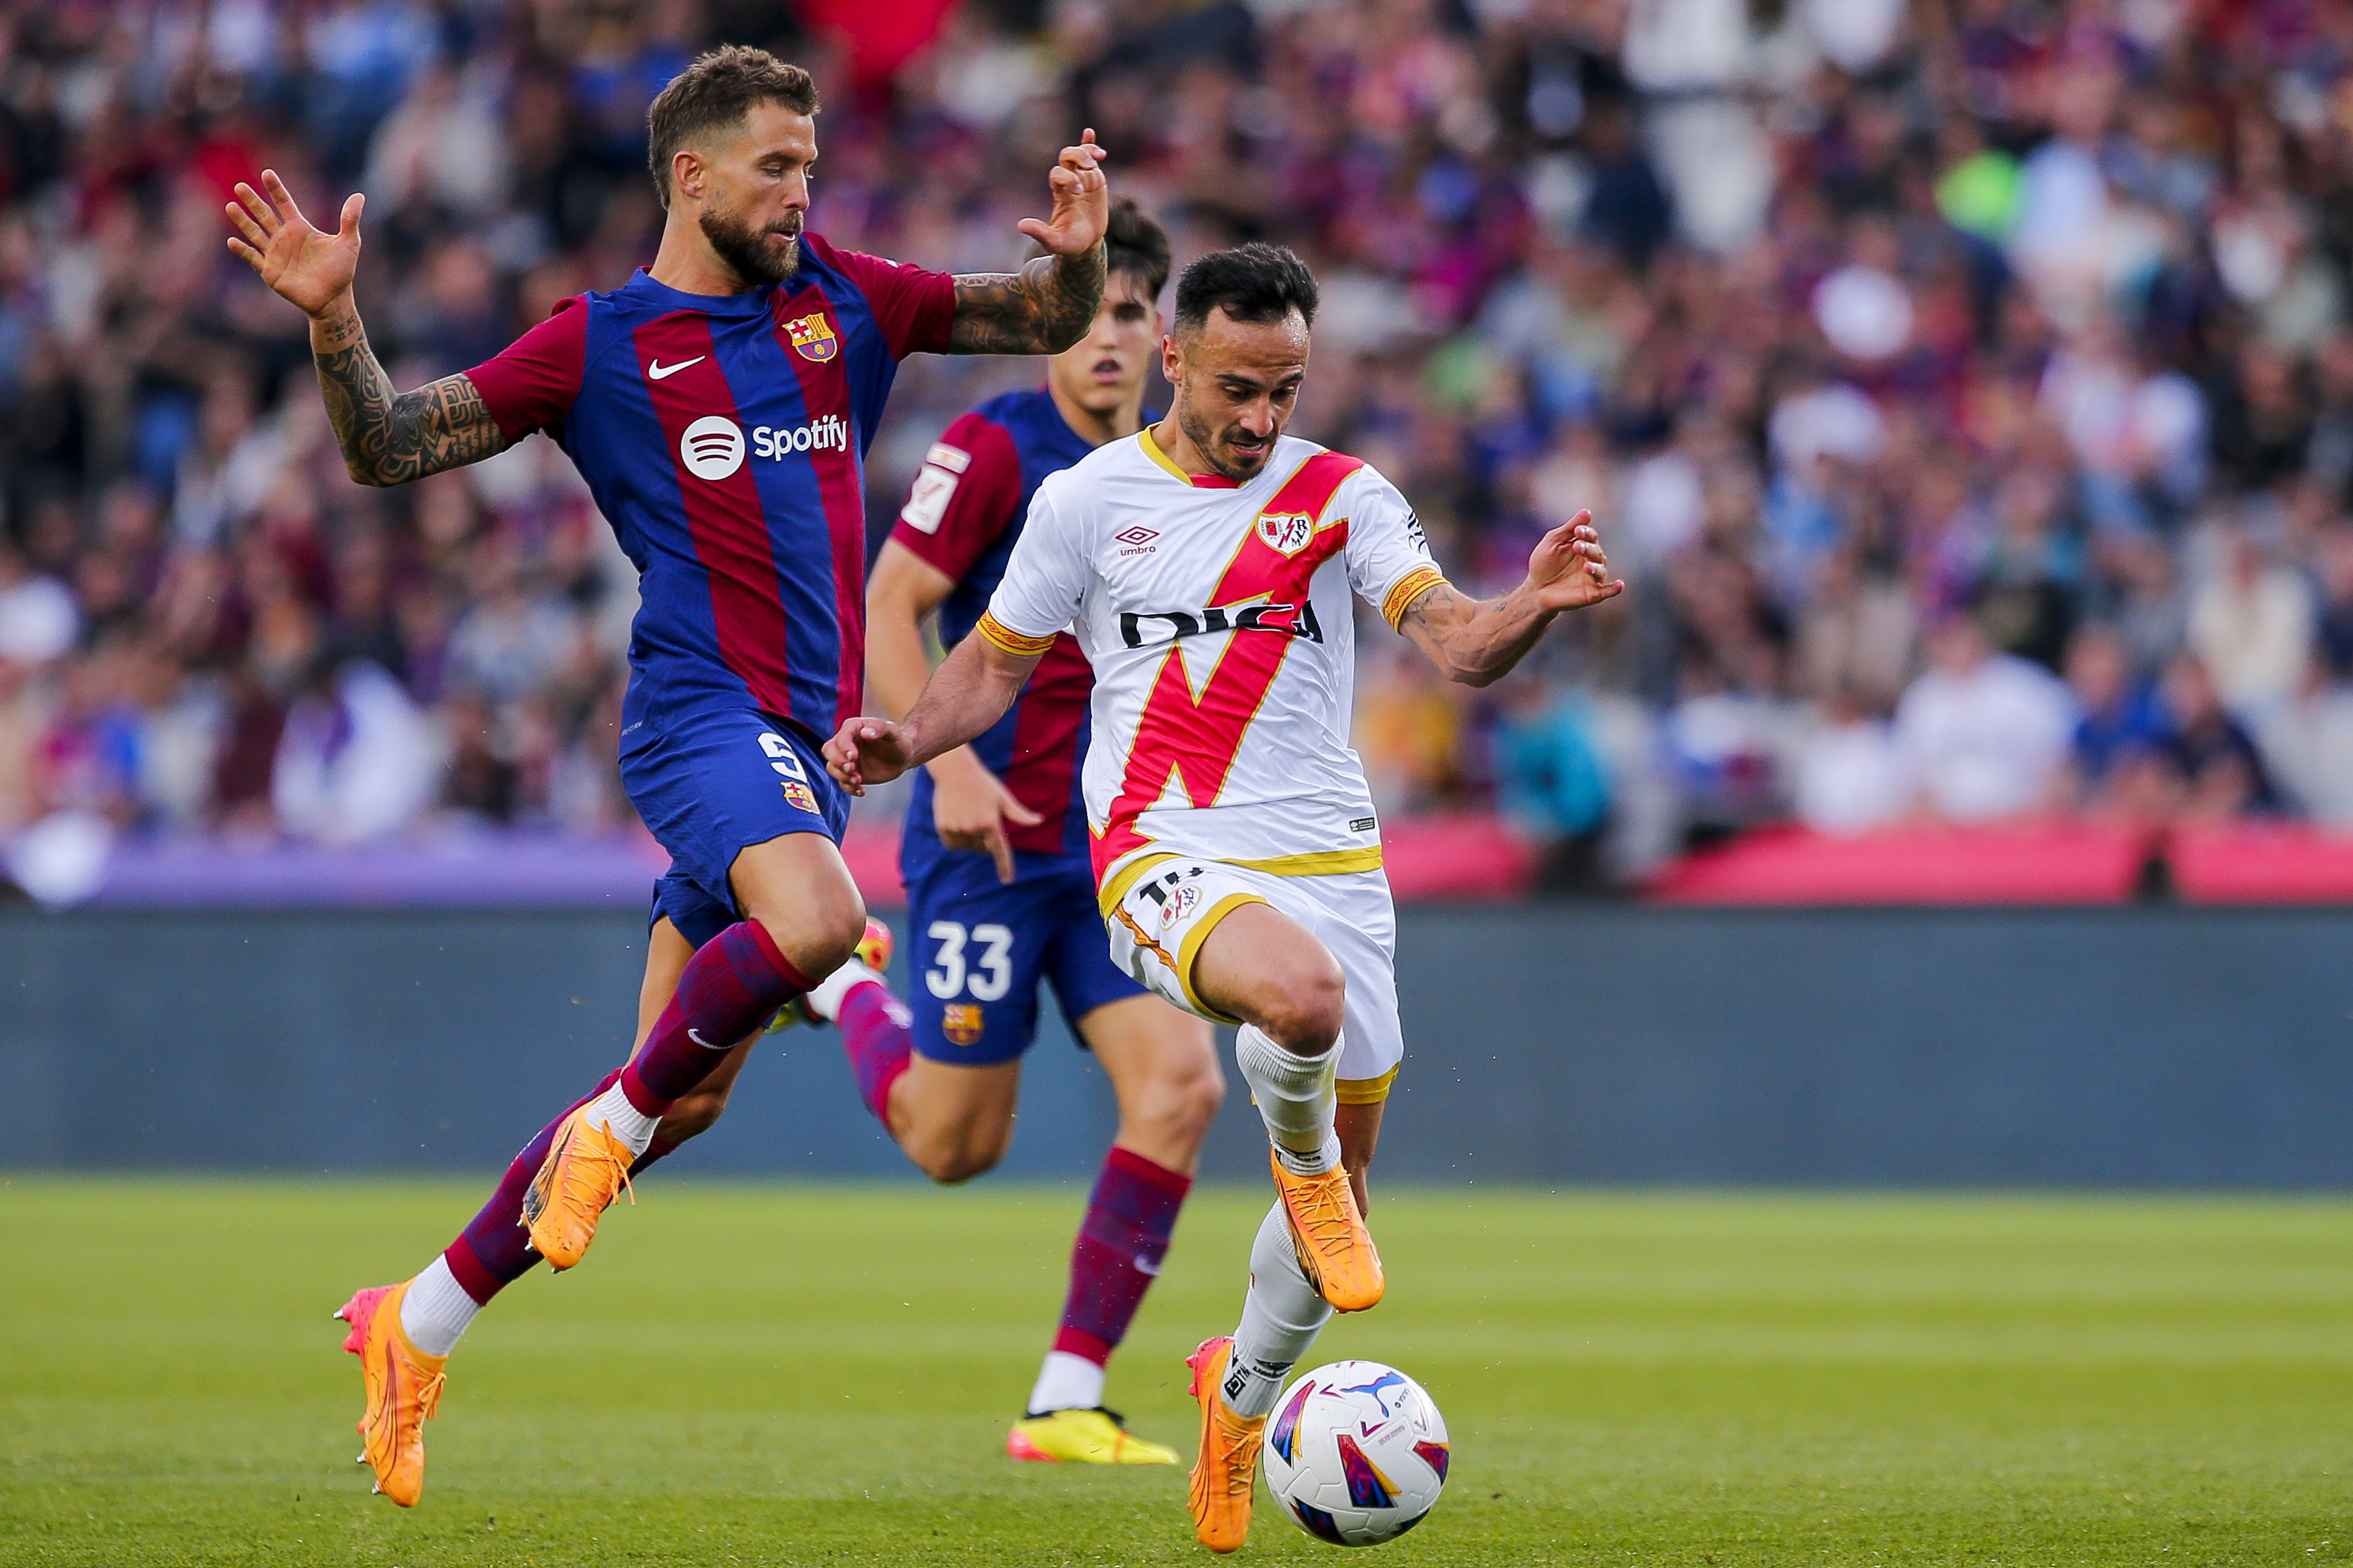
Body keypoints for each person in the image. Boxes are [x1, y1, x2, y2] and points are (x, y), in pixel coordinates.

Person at [225, 44, 1114, 1507]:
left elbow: (1035, 314)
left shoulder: (848, 297)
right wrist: (337, 320)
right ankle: (689, 1077)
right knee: (820, 925)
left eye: (812, 165)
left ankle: (418, 1317)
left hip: (800, 758)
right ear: (691, 174)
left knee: (678, 1099)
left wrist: (1077, 263)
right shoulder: (597, 344)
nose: (803, 191)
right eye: (777, 165)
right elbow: (387, 447)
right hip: (699, 717)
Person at [823, 243, 1621, 1553]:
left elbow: (1459, 643)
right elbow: (988, 663)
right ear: (1175, 358)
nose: (1262, 419)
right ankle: (1298, 1169)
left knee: (1335, 1228)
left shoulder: (1343, 493)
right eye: (1240, 386)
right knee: (1293, 1006)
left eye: (1287, 389)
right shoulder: (1088, 501)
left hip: (1334, 868)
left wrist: (1530, 602)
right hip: (1159, 852)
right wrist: (912, 742)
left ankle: (1237, 1402)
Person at [783, 198, 1219, 1466]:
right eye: (1082, 311)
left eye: (1131, 311)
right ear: (1046, 330)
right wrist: (952, 756)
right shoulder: (990, 447)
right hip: (983, 848)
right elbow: (890, 598)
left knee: (1182, 1086)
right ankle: (843, 989)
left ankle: (1066, 1396)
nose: (1105, 337)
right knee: (954, 1144)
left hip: (1105, 859)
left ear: (1163, 339)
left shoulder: (1181, 473)